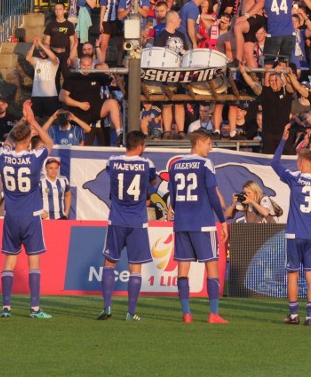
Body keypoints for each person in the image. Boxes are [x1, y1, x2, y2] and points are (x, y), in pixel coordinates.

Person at [0, 102, 55, 319]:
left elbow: (8, 140)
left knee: (9, 260)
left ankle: (6, 308)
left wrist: (22, 122)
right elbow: (49, 142)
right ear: (29, 139)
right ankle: (34, 308)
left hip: (10, 216)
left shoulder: (3, 155)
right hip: (31, 216)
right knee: (34, 261)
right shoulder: (34, 158)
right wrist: (32, 122)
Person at [97, 131, 158, 321]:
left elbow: (110, 171)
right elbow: (153, 181)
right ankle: (131, 313)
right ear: (141, 146)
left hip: (116, 219)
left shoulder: (113, 161)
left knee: (109, 263)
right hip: (137, 221)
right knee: (135, 267)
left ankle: (107, 308)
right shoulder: (147, 163)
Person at [168, 130, 228, 323]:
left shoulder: (176, 165)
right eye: (209, 144)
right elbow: (212, 195)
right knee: (211, 267)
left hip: (182, 223)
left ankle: (186, 313)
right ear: (200, 142)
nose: (210, 148)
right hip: (203, 223)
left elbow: (173, 197)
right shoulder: (205, 164)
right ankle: (214, 314)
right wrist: (223, 220)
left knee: (182, 269)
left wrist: (179, 212)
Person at [272, 123, 311, 326]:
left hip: (294, 234)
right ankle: (310, 316)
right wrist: (310, 147)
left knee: (293, 275)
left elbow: (274, 163)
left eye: (298, 161)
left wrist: (283, 140)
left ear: (303, 163)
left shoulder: (295, 178)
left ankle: (294, 315)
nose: (296, 164)